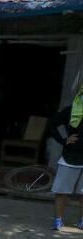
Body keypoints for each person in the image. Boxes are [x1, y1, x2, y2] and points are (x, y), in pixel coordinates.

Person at [51, 81, 83, 230]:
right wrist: (64, 140)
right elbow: (53, 125)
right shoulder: (72, 110)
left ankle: (82, 221)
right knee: (62, 191)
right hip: (71, 157)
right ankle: (58, 220)